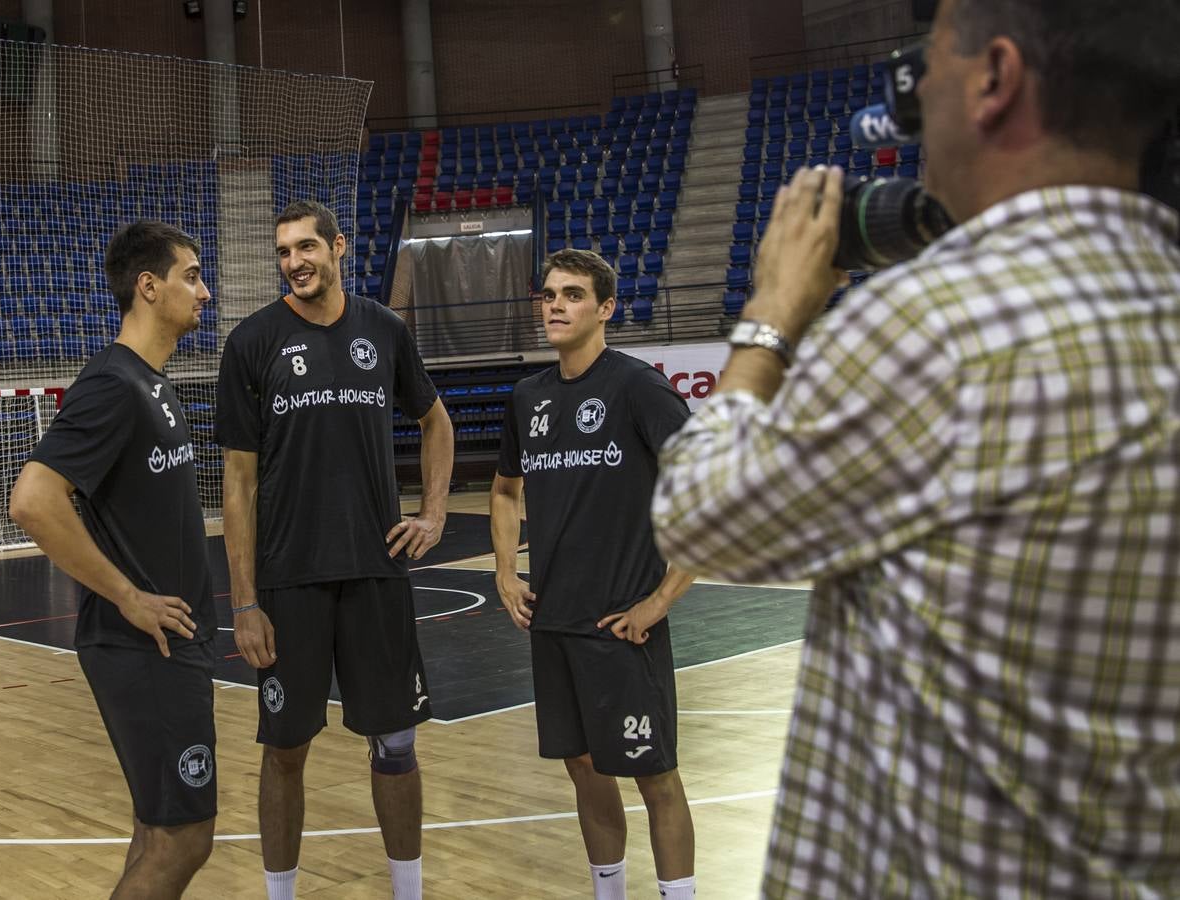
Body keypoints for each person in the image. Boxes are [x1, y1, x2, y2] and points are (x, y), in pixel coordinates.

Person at [650, 0, 1180, 895]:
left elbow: (700, 517)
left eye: (929, 63)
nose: (913, 93)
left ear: (993, 78)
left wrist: (773, 315)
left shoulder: (935, 325)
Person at [216, 200, 453, 900]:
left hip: (376, 571)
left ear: (338, 247)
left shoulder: (382, 329)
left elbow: (434, 421)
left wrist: (434, 513)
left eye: (305, 248)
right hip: (287, 581)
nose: (294, 262)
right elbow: (238, 483)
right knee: (284, 748)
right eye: (283, 252)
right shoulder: (251, 341)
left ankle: (407, 893)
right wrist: (244, 602)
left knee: (397, 745)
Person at [9, 220, 217, 899]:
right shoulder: (113, 385)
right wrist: (128, 595)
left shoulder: (151, 383)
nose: (205, 292)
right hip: (141, 644)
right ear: (148, 287)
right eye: (191, 275)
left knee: (158, 832)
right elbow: (34, 502)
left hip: (165, 644)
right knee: (185, 838)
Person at [489, 249, 698, 900]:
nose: (554, 305)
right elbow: (502, 490)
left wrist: (661, 599)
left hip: (620, 628)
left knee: (654, 775)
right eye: (548, 294)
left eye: (572, 295)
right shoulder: (529, 397)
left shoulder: (638, 387)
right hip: (551, 623)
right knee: (581, 768)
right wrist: (503, 571)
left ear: (605, 308)